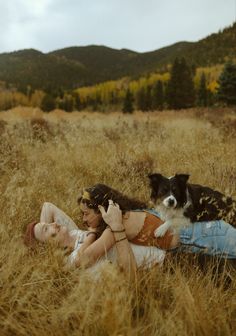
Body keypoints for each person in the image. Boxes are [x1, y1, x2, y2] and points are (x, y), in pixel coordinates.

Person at [25, 184, 236, 276]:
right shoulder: (120, 212)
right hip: (205, 233)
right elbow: (47, 208)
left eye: (86, 214)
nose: (82, 219)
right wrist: (42, 238)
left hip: (210, 236)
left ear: (101, 210)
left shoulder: (117, 225)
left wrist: (47, 239)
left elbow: (85, 258)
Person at [24, 202, 166, 274]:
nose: (54, 223)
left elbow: (47, 206)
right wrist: (94, 232)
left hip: (156, 238)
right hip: (161, 259)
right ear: (50, 246)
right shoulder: (73, 259)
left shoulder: (73, 234)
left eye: (49, 223)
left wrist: (44, 234)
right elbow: (86, 256)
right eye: (47, 228)